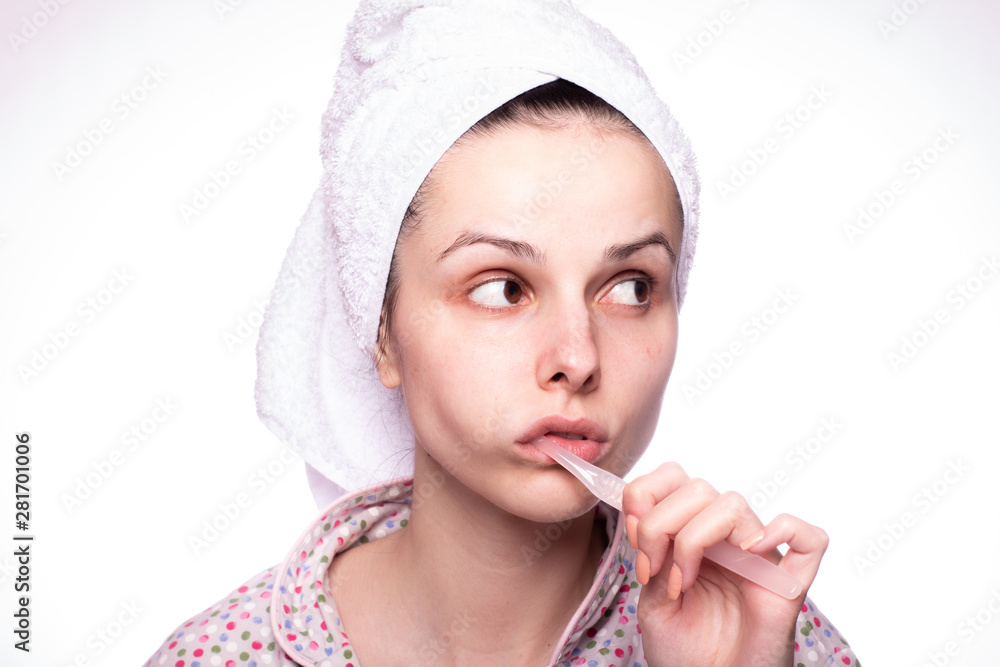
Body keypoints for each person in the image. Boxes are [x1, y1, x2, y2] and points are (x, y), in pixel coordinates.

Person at [146, 1, 859, 665]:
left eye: (631, 288)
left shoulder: (767, 636)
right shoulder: (217, 655)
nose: (577, 358)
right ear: (381, 331)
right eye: (502, 289)